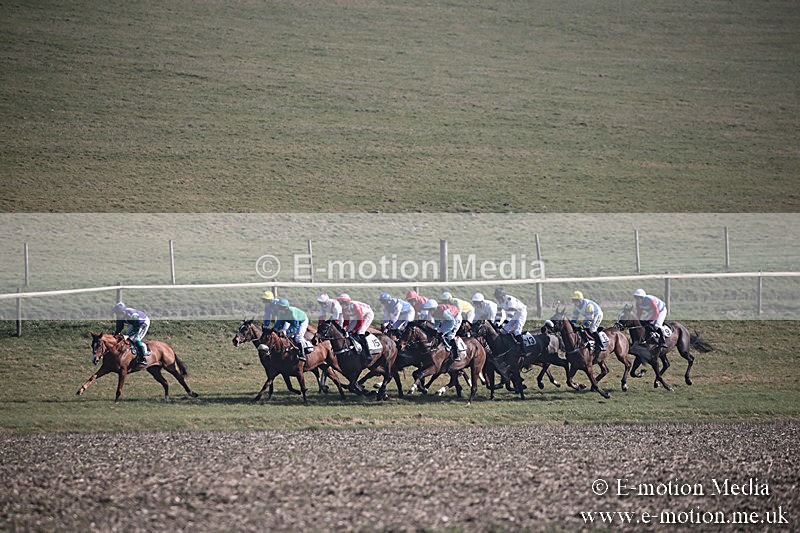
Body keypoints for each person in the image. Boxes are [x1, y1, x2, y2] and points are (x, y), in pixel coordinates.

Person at [337, 294, 375, 365]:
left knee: (360, 332)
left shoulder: (355, 306)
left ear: (347, 302)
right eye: (340, 302)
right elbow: (346, 321)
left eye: (343, 302)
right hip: (358, 317)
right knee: (347, 331)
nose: (341, 304)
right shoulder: (344, 308)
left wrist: (354, 331)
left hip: (367, 315)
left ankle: (367, 354)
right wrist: (345, 329)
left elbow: (360, 322)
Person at [570, 290, 604, 361]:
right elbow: (574, 317)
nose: (574, 302)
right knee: (582, 328)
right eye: (573, 300)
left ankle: (600, 345)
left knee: (592, 329)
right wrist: (572, 324)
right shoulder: (575, 307)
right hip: (588, 316)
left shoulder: (589, 306)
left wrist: (582, 327)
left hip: (597, 314)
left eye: (576, 300)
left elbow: (589, 320)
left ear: (580, 300)